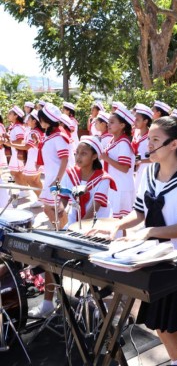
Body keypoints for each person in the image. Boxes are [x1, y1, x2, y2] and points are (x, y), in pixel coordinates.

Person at [91, 116, 177, 366]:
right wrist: (116, 225)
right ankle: (176, 361)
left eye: (155, 140)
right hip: (155, 259)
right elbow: (139, 213)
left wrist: (149, 232)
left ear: (174, 145)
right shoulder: (147, 172)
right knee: (160, 321)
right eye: (148, 140)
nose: (149, 145)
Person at [28, 103, 71, 318]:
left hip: (57, 181)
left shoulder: (59, 135)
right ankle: (61, 232)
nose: (39, 120)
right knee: (48, 210)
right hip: (52, 179)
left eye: (41, 117)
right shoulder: (52, 135)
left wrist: (58, 179)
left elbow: (65, 159)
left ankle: (63, 236)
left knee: (55, 212)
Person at [58, 136, 116, 226]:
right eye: (77, 153)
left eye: (83, 154)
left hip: (98, 221)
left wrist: (79, 227)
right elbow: (64, 196)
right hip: (75, 218)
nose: (78, 157)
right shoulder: (70, 173)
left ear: (94, 156)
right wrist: (61, 207)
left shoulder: (103, 179)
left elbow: (95, 207)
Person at [100, 106, 135, 219]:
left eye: (112, 122)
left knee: (117, 221)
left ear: (122, 125)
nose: (108, 125)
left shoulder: (123, 143)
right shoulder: (113, 140)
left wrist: (106, 159)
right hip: (115, 186)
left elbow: (125, 168)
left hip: (120, 187)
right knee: (118, 221)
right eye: (108, 122)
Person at [10, 110, 45, 208]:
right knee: (35, 180)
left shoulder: (33, 132)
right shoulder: (36, 131)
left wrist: (10, 144)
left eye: (29, 119)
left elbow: (26, 146)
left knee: (31, 179)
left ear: (34, 121)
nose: (27, 120)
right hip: (36, 157)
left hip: (34, 158)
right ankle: (41, 198)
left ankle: (41, 199)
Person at [4, 106, 27, 190]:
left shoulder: (18, 127)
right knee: (16, 173)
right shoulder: (14, 126)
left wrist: (8, 143)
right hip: (15, 153)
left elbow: (21, 141)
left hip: (18, 153)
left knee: (15, 172)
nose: (8, 115)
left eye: (10, 113)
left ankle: (23, 189)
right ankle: (23, 189)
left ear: (16, 116)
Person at [132, 104, 153, 192]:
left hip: (146, 170)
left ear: (145, 121)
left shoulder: (151, 136)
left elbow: (155, 157)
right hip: (135, 169)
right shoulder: (136, 132)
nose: (134, 121)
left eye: (137, 120)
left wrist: (141, 161)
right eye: (135, 119)